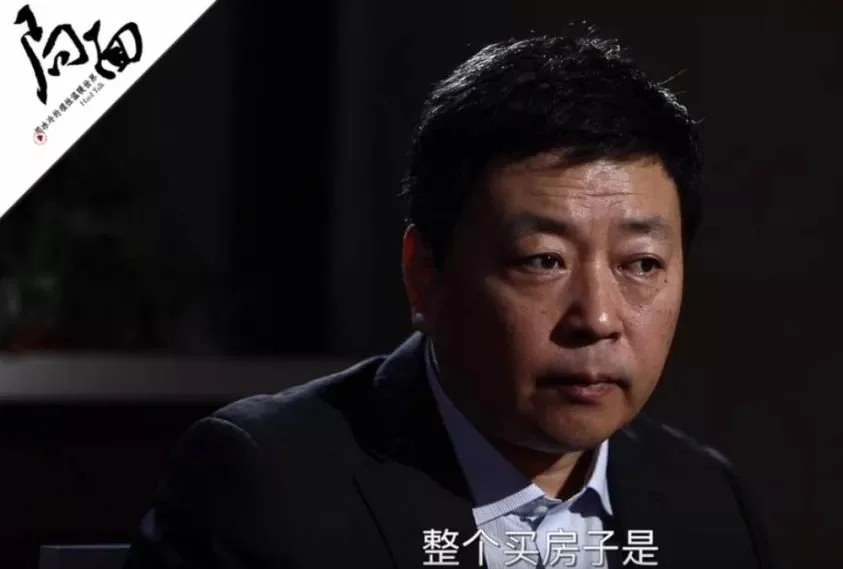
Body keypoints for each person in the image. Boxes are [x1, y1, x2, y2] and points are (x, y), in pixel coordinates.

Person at [123, 34, 773, 569]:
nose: (597, 318)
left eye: (641, 264)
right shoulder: (268, 483)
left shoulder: (705, 501)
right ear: (425, 274)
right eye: (543, 260)